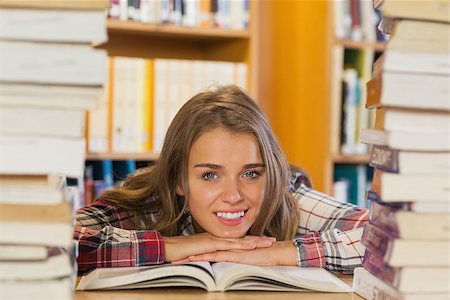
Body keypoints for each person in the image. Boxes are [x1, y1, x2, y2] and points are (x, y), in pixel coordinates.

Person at [74, 85, 368, 274]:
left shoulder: (284, 199)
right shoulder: (151, 204)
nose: (233, 195)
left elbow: (389, 238)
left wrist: (280, 253)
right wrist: (169, 246)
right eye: (210, 175)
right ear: (179, 179)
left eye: (251, 173)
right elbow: (53, 240)